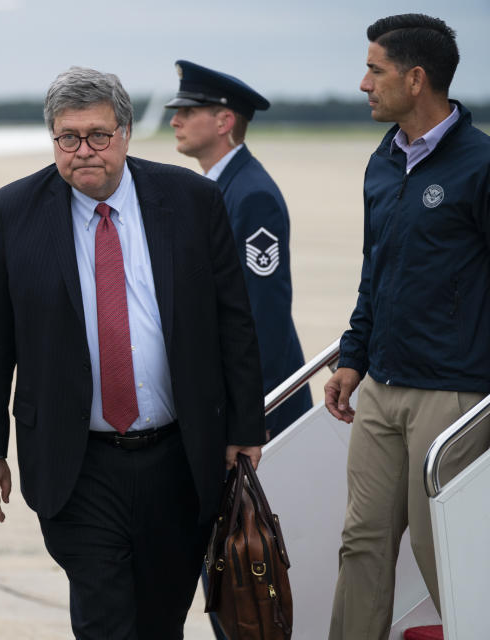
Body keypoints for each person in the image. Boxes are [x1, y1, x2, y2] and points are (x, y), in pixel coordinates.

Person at [0, 66, 265, 640]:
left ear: (126, 133)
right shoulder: (13, 211)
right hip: (76, 461)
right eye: (67, 137)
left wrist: (245, 427)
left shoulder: (192, 200)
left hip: (178, 458)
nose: (84, 151)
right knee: (103, 620)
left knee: (159, 621)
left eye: (98, 135)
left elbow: (234, 322)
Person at [324, 14, 490, 639]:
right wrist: (351, 356)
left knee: (443, 553)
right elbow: (376, 270)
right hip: (381, 389)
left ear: (416, 79)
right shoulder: (384, 161)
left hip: (452, 394)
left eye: (375, 69)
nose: (364, 83)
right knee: (360, 543)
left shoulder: (479, 165)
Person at [167, 60, 312, 441]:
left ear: (224, 121)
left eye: (187, 111)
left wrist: (254, 409)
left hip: (256, 406)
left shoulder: (252, 196)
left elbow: (265, 312)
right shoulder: (219, 189)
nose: (174, 121)